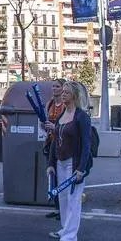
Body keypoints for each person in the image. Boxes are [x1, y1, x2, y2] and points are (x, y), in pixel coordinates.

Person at [43, 82, 93, 241]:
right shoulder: (61, 116)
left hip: (74, 163)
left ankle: (70, 236)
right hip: (60, 161)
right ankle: (65, 229)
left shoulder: (82, 117)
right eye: (62, 92)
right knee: (63, 198)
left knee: (74, 199)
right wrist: (51, 163)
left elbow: (87, 145)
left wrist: (81, 169)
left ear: (74, 96)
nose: (63, 95)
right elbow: (54, 140)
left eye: (67, 92)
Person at [41, 79, 69, 221]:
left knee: (62, 177)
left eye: (57, 86)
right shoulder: (50, 104)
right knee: (53, 176)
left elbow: (68, 126)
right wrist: (44, 126)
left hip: (62, 144)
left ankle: (64, 209)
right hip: (50, 143)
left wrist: (55, 128)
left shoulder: (66, 105)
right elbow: (44, 124)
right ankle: (58, 207)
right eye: (53, 86)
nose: (54, 89)